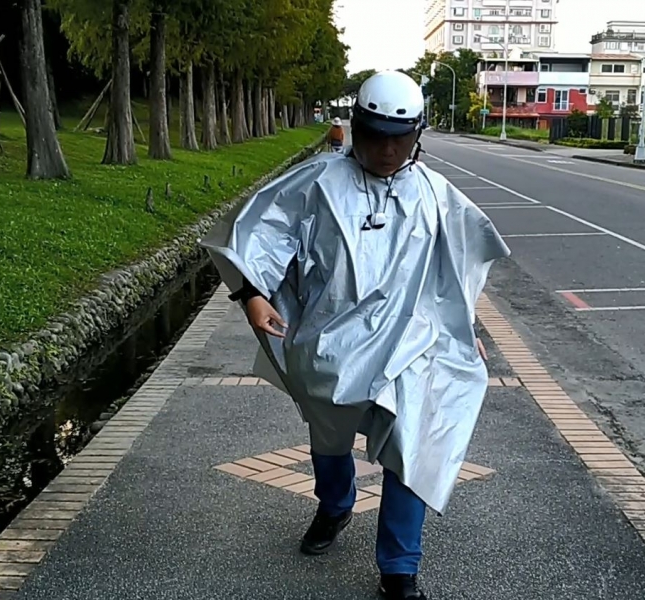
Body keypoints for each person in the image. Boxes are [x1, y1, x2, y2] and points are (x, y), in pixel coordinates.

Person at [202, 70, 509, 599]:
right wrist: (250, 294)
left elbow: (455, 269)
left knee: (410, 444)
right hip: (331, 341)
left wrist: (465, 329)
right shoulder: (317, 181)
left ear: (417, 137)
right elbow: (261, 231)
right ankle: (336, 504)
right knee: (330, 439)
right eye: (376, 137)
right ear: (356, 129)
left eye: (401, 139)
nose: (388, 151)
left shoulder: (436, 195)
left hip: (413, 341)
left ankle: (399, 568)